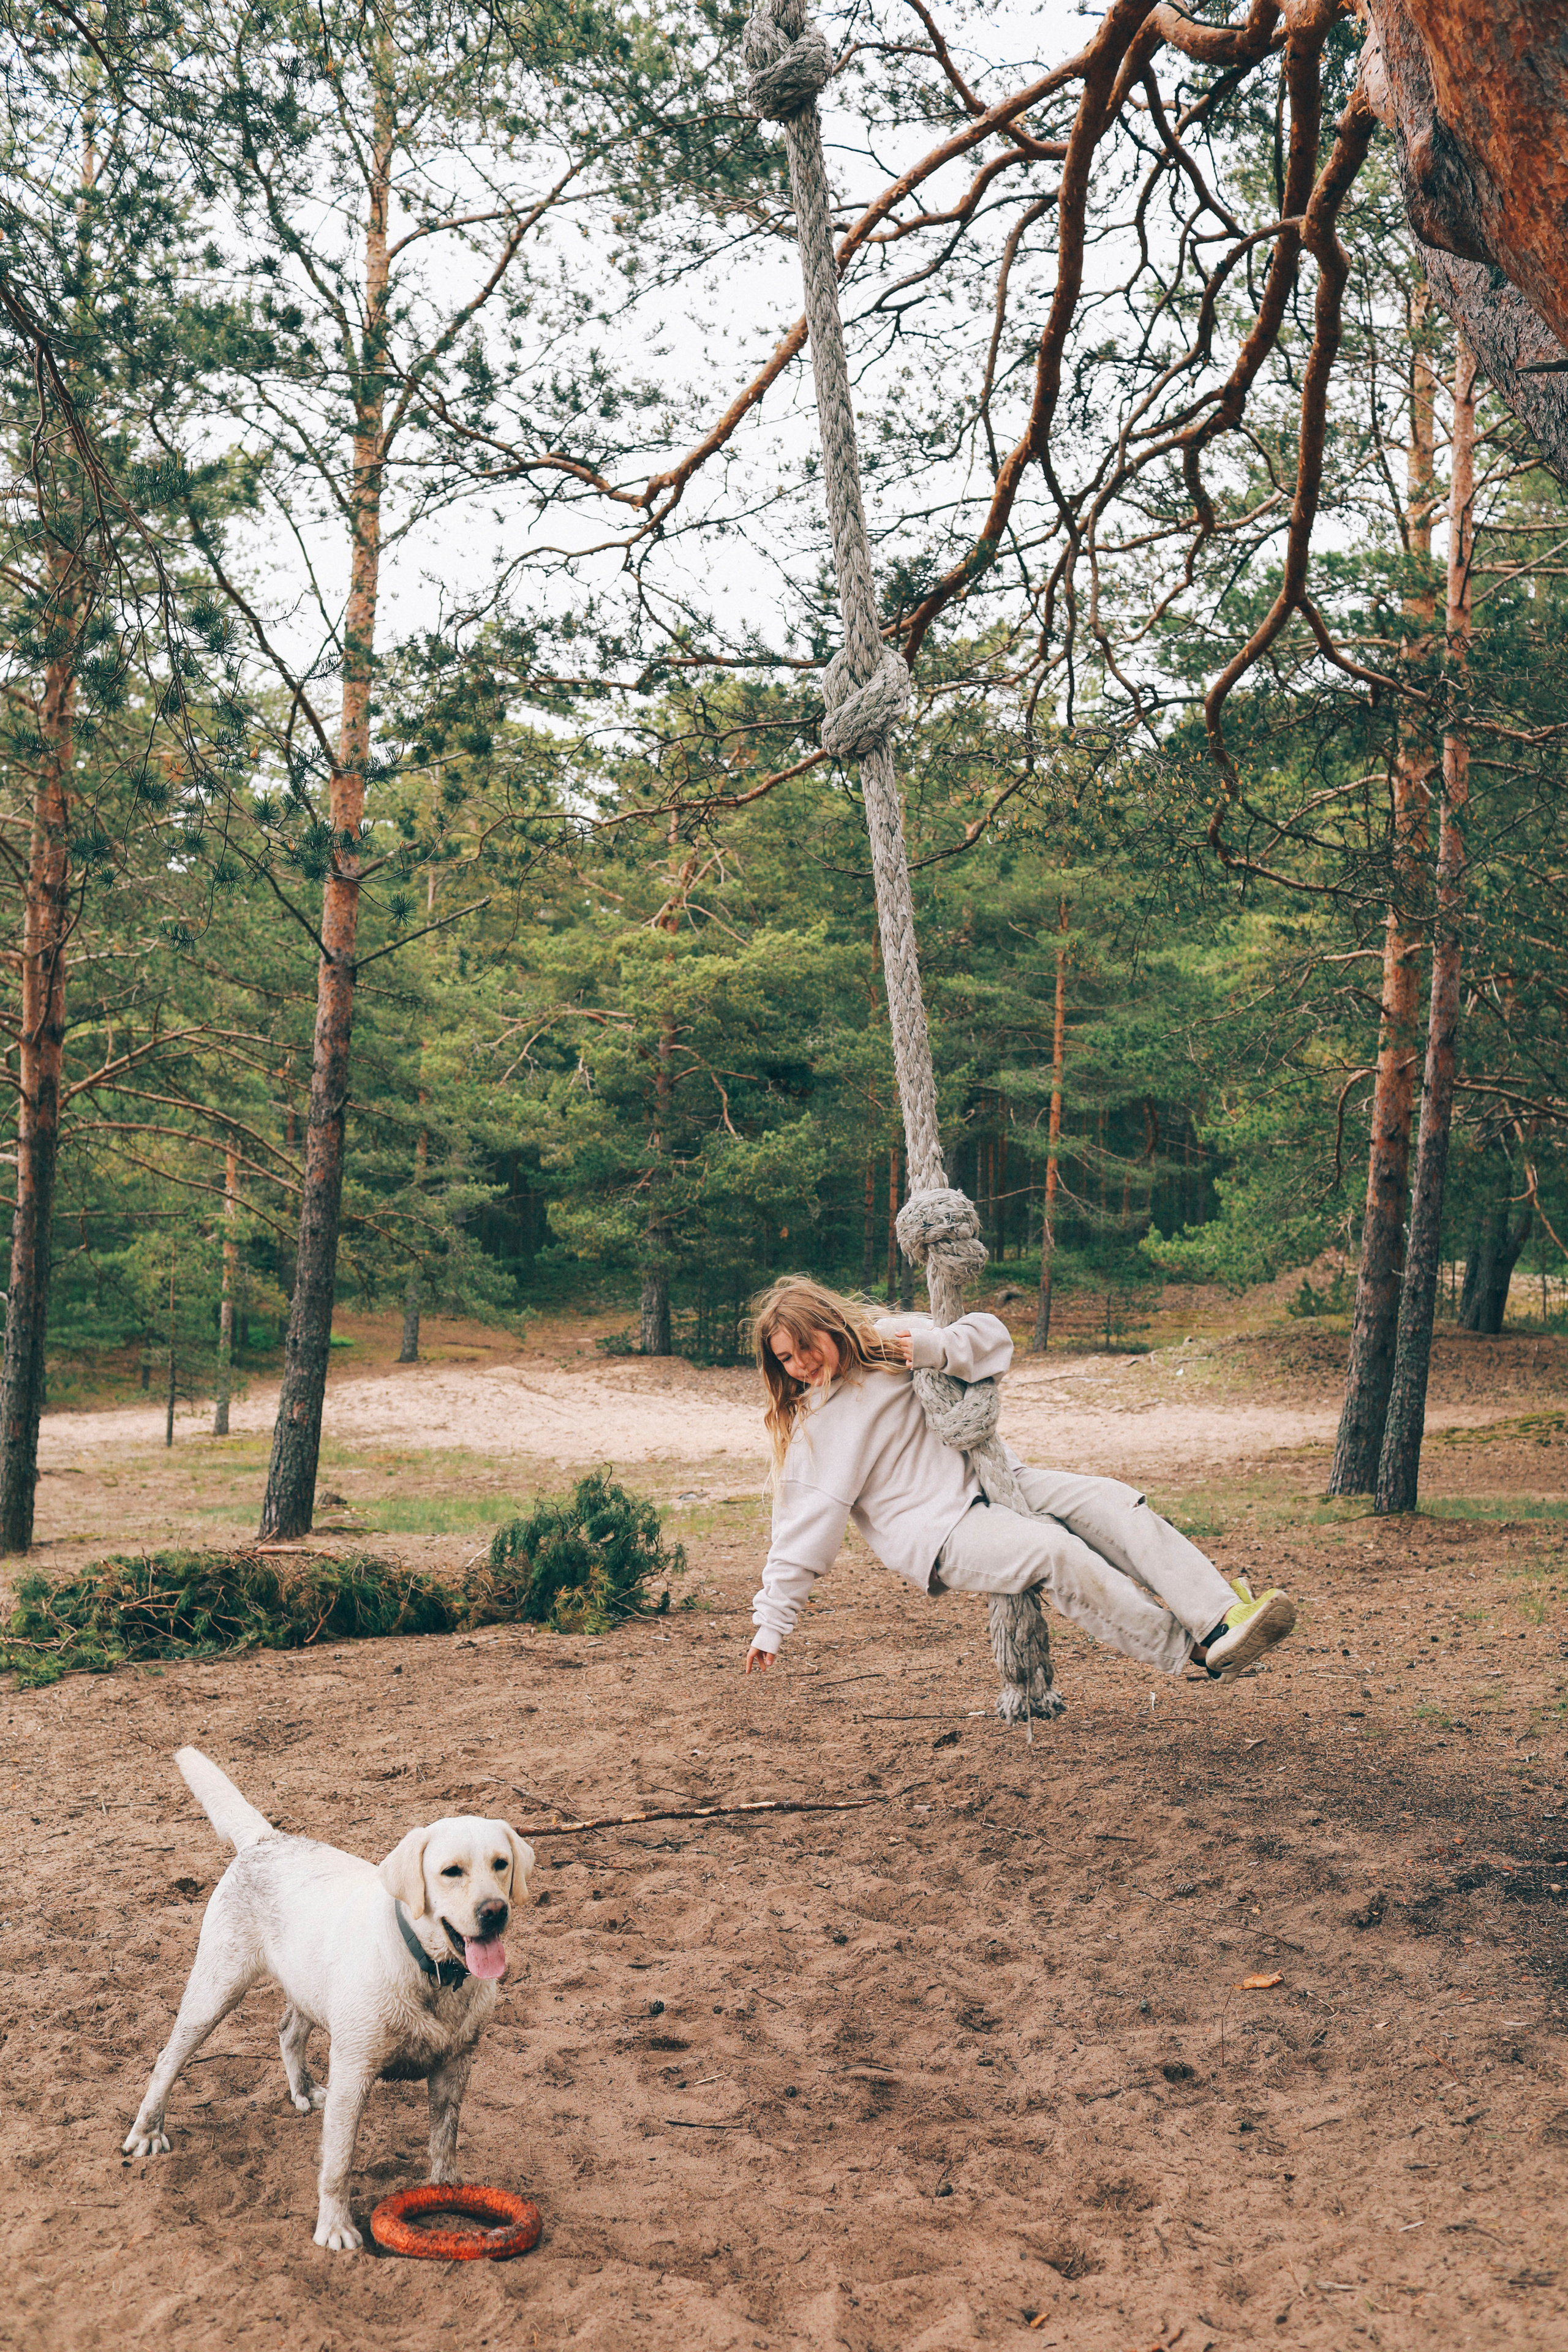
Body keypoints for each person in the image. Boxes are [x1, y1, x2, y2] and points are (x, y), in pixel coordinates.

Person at [741, 1275, 1294, 1684]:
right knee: (1055, 1551)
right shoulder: (816, 1430)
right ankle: (1196, 1652)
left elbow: (992, 1339)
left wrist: (936, 1350)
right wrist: (771, 1624)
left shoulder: (891, 1343)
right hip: (940, 1532)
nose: (800, 1365)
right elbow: (801, 1534)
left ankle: (1221, 1620)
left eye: (806, 1346)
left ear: (831, 1325)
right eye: (785, 1359)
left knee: (1112, 1501)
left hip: (999, 1477)